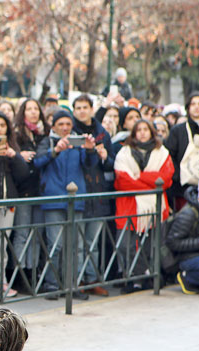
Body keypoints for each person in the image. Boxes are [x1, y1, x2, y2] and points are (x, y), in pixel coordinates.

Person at [33, 109, 98, 299]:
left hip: (75, 200)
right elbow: (37, 163)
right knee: (55, 245)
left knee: (75, 247)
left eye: (68, 124)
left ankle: (73, 285)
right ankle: (52, 285)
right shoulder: (48, 141)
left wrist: (90, 149)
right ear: (53, 126)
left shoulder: (78, 143)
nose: (64, 128)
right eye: (60, 124)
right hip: (53, 200)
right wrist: (55, 151)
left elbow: (90, 165)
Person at [113, 118, 174, 291]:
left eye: (145, 129)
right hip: (129, 205)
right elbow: (123, 181)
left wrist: (138, 176)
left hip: (155, 207)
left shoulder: (162, 152)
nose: (142, 132)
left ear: (151, 132)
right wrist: (150, 182)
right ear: (133, 133)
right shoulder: (123, 153)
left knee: (151, 245)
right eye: (138, 129)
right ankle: (135, 276)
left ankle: (146, 278)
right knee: (125, 245)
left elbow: (165, 179)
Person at [0, 111, 30, 299]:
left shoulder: (12, 145)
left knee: (1, 244)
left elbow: (23, 174)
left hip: (7, 201)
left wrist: (14, 156)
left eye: (2, 125)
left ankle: (0, 282)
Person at [72, 94, 115, 296]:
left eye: (85, 107)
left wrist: (105, 157)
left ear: (91, 109)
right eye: (78, 107)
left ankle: (93, 278)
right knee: (78, 244)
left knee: (93, 242)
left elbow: (111, 163)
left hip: (98, 193)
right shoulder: (70, 131)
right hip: (78, 191)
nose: (81, 111)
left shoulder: (102, 133)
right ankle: (78, 281)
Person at [12, 99, 48, 285]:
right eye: (29, 109)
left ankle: (33, 274)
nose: (33, 112)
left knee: (36, 234)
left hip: (39, 190)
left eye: (36, 109)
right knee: (22, 233)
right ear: (22, 112)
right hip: (23, 190)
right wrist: (20, 157)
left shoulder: (43, 134)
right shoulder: (17, 134)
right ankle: (20, 274)